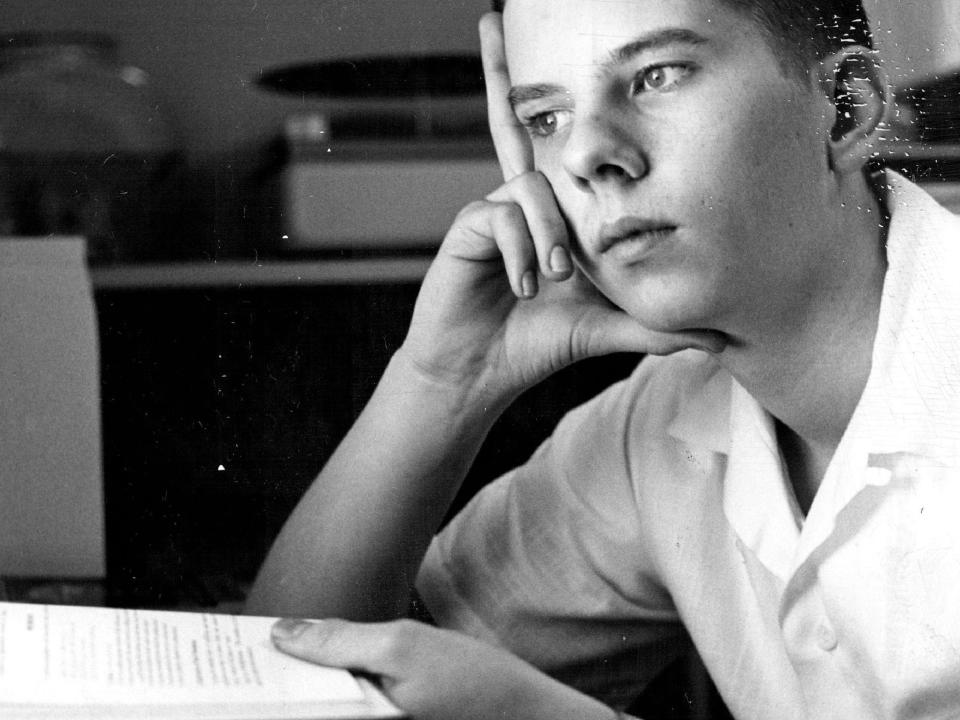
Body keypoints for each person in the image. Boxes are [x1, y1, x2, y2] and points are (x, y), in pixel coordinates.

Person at [246, 0, 960, 717]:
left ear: (842, 108)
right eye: (545, 120)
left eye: (657, 76)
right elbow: (271, 681)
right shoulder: (663, 421)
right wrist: (442, 381)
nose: (586, 156)